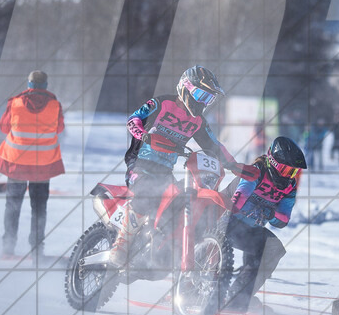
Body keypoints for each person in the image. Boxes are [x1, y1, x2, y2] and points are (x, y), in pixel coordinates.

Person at [110, 65, 257, 267]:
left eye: (208, 98)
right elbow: (134, 119)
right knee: (145, 194)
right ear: (185, 88)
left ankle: (160, 248)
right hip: (140, 164)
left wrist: (233, 164)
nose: (202, 102)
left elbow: (214, 145)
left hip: (164, 171)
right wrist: (143, 134)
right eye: (200, 95)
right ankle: (121, 244)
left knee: (177, 204)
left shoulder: (198, 121)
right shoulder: (162, 103)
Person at [222, 136, 305, 313]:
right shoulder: (256, 172)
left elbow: (283, 220)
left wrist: (271, 213)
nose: (288, 176)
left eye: (292, 172)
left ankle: (239, 297)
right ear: (274, 164)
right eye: (285, 170)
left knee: (272, 249)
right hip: (225, 217)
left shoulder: (289, 188)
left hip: (249, 228)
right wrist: (257, 206)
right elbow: (236, 202)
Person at [0, 70, 65, 261]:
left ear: (29, 84)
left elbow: (3, 127)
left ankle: (8, 247)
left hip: (17, 164)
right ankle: (36, 250)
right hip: (43, 165)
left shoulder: (15, 103)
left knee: (13, 205)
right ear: (46, 85)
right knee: (39, 208)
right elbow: (60, 128)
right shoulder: (55, 105)